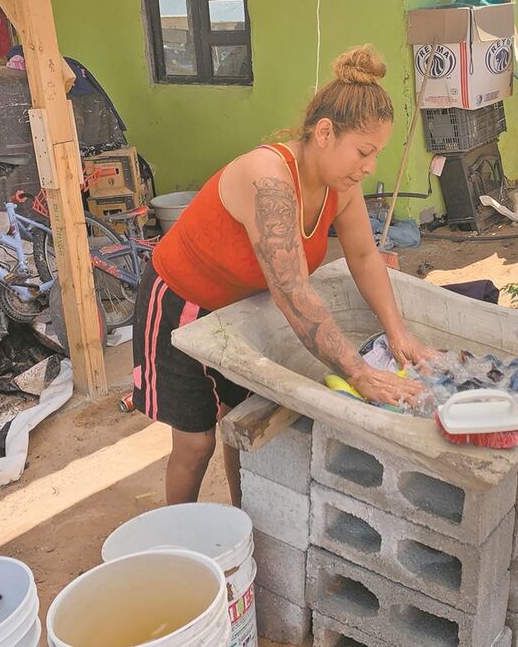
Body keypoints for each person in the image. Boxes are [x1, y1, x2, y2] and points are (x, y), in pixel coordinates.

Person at [132, 45, 436, 506]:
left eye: (377, 154)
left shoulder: (341, 186)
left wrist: (398, 334)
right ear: (326, 132)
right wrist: (357, 372)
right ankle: (182, 539)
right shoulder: (268, 179)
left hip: (241, 309)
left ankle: (243, 522)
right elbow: (293, 290)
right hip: (182, 302)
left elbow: (365, 257)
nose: (370, 166)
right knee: (196, 444)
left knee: (242, 428)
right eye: (364, 152)